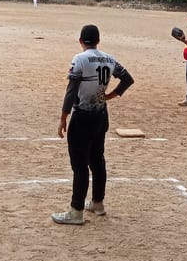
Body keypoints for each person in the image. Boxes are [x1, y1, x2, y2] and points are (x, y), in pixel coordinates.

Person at [51, 24, 134, 225]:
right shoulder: (108, 58)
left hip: (82, 117)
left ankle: (76, 210)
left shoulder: (79, 59)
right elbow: (127, 79)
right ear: (98, 40)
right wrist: (110, 96)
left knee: (79, 164)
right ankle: (98, 202)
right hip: (101, 115)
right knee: (97, 160)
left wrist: (63, 117)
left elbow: (71, 91)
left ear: (81, 41)